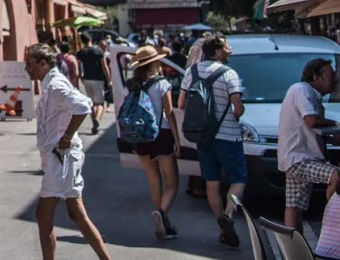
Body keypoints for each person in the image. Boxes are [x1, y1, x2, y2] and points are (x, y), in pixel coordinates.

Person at [19, 44, 122, 260]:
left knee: (44, 213)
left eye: (30, 63)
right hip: (61, 157)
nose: (27, 68)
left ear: (44, 63)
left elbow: (83, 105)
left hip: (61, 157)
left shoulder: (55, 85)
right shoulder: (51, 84)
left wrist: (65, 138)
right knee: (76, 213)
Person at [182, 33, 247, 248]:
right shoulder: (230, 74)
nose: (230, 51)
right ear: (218, 50)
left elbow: (181, 103)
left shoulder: (191, 71)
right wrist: (237, 112)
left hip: (203, 136)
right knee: (238, 179)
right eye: (227, 47)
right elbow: (237, 107)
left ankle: (222, 228)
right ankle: (228, 214)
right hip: (228, 136)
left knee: (211, 183)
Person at [120, 45, 180, 241]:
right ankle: (162, 213)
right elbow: (169, 113)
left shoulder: (132, 85)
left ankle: (164, 221)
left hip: (140, 137)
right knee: (172, 182)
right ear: (155, 62)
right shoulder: (162, 84)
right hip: (161, 135)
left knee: (154, 181)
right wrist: (177, 139)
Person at [279, 57, 339, 230]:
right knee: (338, 176)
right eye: (330, 74)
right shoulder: (303, 90)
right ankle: (336, 219)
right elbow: (311, 120)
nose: (334, 79)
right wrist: (336, 125)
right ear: (315, 77)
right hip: (300, 158)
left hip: (293, 156)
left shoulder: (305, 92)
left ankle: (293, 248)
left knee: (295, 207)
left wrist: (335, 135)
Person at [76, 36, 108, 133]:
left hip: (87, 79)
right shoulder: (98, 52)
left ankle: (94, 122)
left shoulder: (81, 52)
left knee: (92, 102)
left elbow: (78, 65)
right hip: (98, 79)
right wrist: (109, 79)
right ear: (91, 40)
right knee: (100, 103)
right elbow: (104, 66)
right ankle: (97, 120)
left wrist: (80, 76)